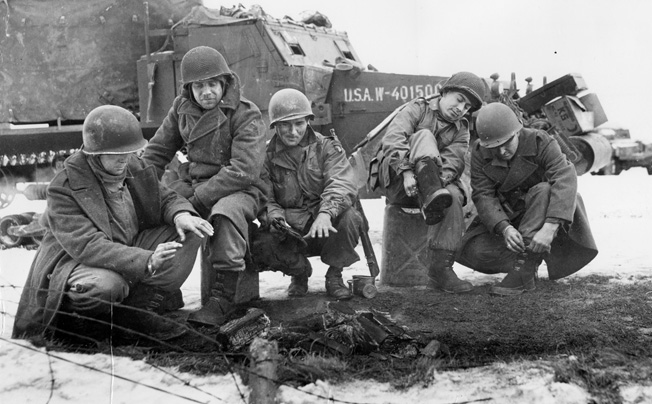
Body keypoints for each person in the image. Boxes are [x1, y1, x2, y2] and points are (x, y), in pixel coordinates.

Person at [12, 105, 213, 342]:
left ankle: (137, 310)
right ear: (94, 154)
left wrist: (181, 215)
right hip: (79, 261)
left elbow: (165, 198)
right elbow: (88, 246)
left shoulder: (131, 164)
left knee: (190, 231)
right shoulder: (64, 186)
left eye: (129, 153)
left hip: (128, 247)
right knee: (106, 286)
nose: (124, 161)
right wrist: (146, 259)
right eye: (117, 156)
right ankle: (81, 324)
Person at [142, 46, 267, 327]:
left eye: (213, 84)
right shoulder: (181, 109)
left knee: (224, 214)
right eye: (199, 86)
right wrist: (141, 182)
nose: (207, 92)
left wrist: (198, 199)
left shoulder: (245, 113)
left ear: (225, 83)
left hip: (241, 189)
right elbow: (158, 150)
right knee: (163, 211)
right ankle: (166, 289)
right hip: (196, 184)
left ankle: (223, 298)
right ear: (190, 88)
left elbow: (244, 170)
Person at [457, 102, 598, 296]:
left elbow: (565, 179)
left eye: (506, 143)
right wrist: (504, 228)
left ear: (517, 132)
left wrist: (550, 227)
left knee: (544, 189)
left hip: (549, 217)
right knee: (477, 252)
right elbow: (483, 194)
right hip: (510, 217)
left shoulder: (541, 142)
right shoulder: (480, 151)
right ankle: (527, 264)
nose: (501, 152)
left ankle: (524, 269)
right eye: (494, 147)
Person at [369, 71, 486, 293]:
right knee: (423, 136)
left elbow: (454, 161)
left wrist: (436, 183)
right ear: (445, 92)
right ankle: (432, 192)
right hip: (397, 180)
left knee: (452, 196)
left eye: (467, 107)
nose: (461, 109)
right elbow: (393, 139)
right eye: (459, 100)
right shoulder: (417, 108)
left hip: (433, 193)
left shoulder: (461, 129)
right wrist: (406, 172)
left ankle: (441, 269)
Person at [251, 88, 362, 299]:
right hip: (291, 229)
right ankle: (299, 273)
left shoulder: (326, 147)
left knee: (350, 218)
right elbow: (265, 198)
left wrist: (326, 213)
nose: (293, 131)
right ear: (275, 126)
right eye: (285, 124)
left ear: (308, 122)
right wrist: (276, 219)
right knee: (261, 243)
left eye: (299, 123)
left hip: (325, 225)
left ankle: (334, 275)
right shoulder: (264, 156)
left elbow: (341, 183)